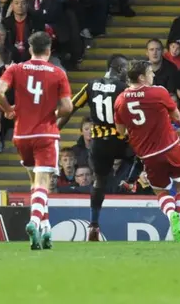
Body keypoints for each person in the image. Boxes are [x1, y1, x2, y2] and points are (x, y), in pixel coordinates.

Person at [0, 31, 72, 250]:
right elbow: (68, 107)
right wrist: (52, 115)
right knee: (43, 184)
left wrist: (8, 110)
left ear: (29, 49)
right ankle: (34, 221)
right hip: (45, 134)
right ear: (49, 50)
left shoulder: (16, 68)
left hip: (21, 135)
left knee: (35, 185)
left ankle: (45, 230)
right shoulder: (57, 73)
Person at [114, 60, 180, 242]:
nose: (153, 75)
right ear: (141, 77)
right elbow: (178, 117)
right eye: (150, 73)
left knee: (160, 191)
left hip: (148, 156)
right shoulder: (159, 92)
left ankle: (171, 215)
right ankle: (179, 227)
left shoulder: (120, 100)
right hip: (171, 147)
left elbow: (120, 131)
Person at [56, 54, 129, 241]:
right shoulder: (124, 88)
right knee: (140, 157)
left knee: (99, 182)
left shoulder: (91, 85)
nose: (128, 73)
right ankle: (131, 182)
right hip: (119, 141)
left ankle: (94, 225)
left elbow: (70, 107)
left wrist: (55, 129)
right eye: (126, 69)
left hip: (98, 144)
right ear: (119, 69)